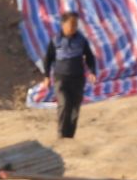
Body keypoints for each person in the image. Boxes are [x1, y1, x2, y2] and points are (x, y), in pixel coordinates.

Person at [38, 9, 99, 141]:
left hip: (77, 78)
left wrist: (92, 71)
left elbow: (89, 56)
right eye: (71, 25)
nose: (74, 28)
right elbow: (48, 58)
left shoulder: (81, 40)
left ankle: (69, 136)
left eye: (76, 25)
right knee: (64, 104)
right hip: (61, 78)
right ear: (63, 25)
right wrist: (47, 76)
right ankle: (61, 134)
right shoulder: (56, 40)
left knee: (75, 108)